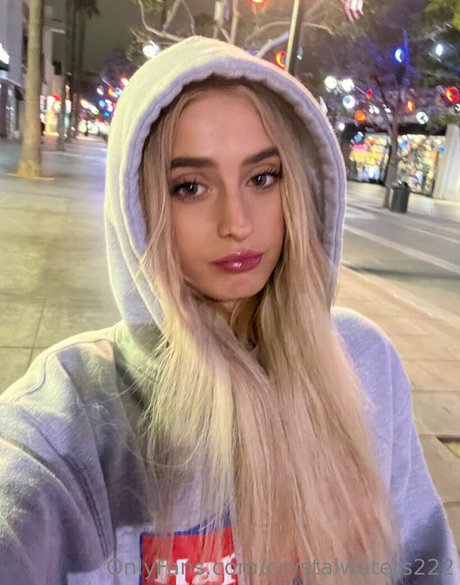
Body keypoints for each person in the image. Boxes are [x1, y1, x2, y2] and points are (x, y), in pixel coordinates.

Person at [0, 37, 458, 585]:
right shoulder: (76, 415)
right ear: (138, 204)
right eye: (190, 187)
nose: (237, 223)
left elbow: (425, 564)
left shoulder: (366, 361)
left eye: (262, 178)